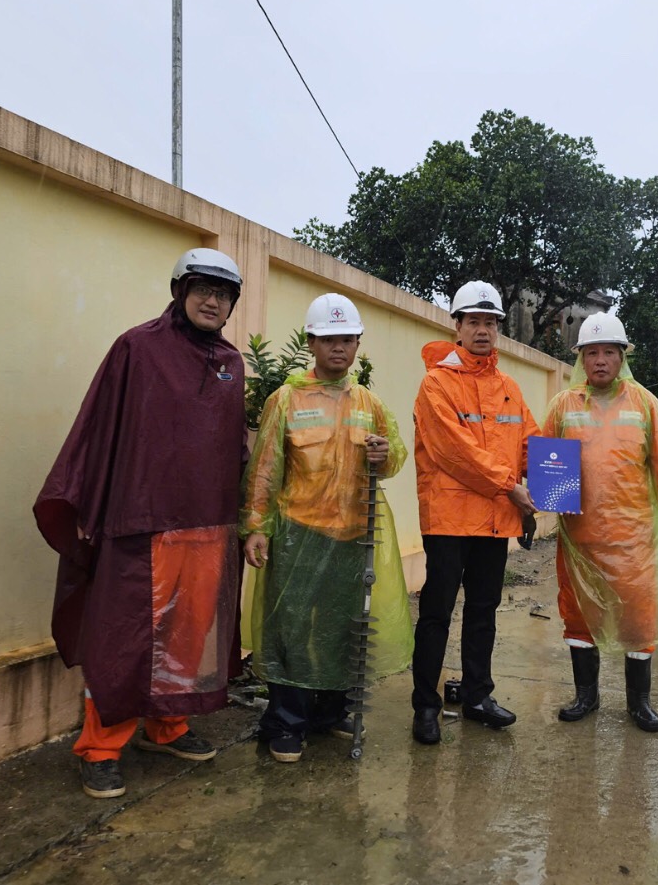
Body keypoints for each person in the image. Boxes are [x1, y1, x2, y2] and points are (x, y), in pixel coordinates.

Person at [34, 248, 248, 798]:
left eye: (223, 294)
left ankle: (168, 725)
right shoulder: (138, 347)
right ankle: (101, 747)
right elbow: (99, 425)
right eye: (203, 288)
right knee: (124, 641)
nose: (212, 300)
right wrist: (85, 501)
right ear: (180, 291)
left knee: (189, 633)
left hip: (208, 523)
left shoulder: (230, 363)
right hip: (140, 521)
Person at [240, 294, 413, 763]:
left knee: (344, 628)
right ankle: (286, 723)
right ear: (312, 343)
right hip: (299, 533)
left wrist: (384, 455)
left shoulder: (368, 403)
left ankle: (331, 713)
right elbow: (265, 469)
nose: (340, 348)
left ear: (358, 344)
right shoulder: (286, 399)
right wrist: (257, 526)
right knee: (292, 629)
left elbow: (395, 456)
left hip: (355, 534)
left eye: (348, 340)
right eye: (330, 339)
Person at [541, 312, 658, 732]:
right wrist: (532, 505)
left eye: (608, 352)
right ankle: (586, 696)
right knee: (578, 612)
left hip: (632, 538)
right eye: (592, 353)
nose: (600, 360)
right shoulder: (563, 406)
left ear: (622, 357)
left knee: (638, 618)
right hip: (578, 537)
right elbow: (542, 456)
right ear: (580, 359)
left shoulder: (644, 403)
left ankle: (639, 704)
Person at [409, 280, 537, 745]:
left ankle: (478, 696)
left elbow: (529, 442)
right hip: (447, 519)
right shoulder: (436, 383)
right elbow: (454, 452)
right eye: (474, 322)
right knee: (436, 613)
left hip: (494, 521)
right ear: (457, 326)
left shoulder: (508, 387)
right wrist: (512, 488)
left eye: (490, 322)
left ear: (498, 329)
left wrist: (551, 486)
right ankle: (426, 706)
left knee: (484, 611)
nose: (483, 330)